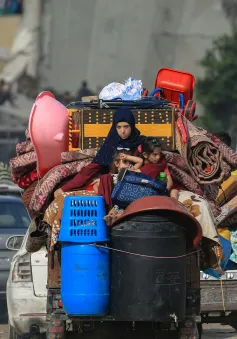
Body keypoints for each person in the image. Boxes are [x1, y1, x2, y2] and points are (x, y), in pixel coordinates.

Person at [57, 107, 145, 194]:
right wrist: (64, 189)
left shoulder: (141, 142)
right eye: (118, 127)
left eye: (126, 127)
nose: (122, 131)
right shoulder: (111, 143)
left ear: (132, 125)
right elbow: (91, 170)